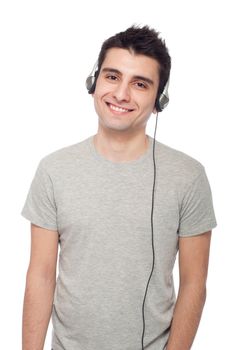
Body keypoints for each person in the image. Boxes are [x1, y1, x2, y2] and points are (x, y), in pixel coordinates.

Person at [21, 25, 217, 350]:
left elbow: (194, 283)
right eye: (112, 77)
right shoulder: (53, 170)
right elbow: (40, 275)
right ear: (94, 82)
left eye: (140, 84)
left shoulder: (189, 176)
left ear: (160, 100)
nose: (122, 94)